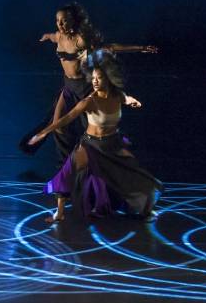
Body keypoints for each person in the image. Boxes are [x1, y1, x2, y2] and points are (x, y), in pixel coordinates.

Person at [27, 51, 158, 222]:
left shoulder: (117, 96)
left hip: (113, 144)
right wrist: (43, 132)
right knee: (67, 173)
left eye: (99, 78)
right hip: (91, 144)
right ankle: (59, 213)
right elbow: (67, 118)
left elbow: (126, 98)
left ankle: (146, 210)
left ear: (108, 79)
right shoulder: (89, 101)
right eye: (93, 78)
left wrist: (133, 101)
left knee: (134, 174)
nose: (95, 81)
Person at [19, 2, 157, 164]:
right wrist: (46, 36)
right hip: (69, 87)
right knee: (59, 127)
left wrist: (140, 47)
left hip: (85, 87)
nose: (60, 24)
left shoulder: (81, 40)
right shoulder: (59, 36)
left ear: (73, 21)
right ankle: (66, 164)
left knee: (95, 129)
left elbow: (109, 47)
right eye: (57, 20)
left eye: (64, 20)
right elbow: (52, 36)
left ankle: (109, 159)